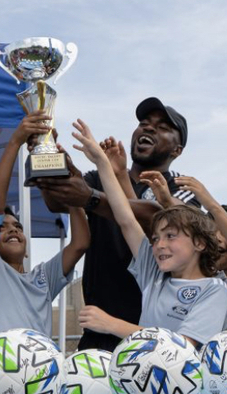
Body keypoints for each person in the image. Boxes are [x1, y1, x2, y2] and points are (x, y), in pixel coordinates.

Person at [37, 98, 195, 351]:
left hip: (152, 337)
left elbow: (157, 218)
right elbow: (59, 200)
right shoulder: (98, 179)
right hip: (97, 331)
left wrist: (93, 196)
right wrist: (46, 154)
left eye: (163, 127)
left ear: (177, 150)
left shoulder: (180, 187)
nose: (149, 128)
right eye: (144, 123)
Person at [70, 120, 227, 349]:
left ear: (200, 242)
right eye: (155, 238)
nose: (159, 244)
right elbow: (126, 219)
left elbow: (183, 345)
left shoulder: (214, 289)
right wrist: (102, 162)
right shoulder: (153, 274)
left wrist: (111, 324)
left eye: (170, 236)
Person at [0, 112, 89, 347]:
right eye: (2, 228)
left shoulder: (42, 277)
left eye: (17, 227)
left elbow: (80, 243)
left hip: (41, 369)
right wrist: (15, 142)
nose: (13, 230)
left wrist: (71, 178)